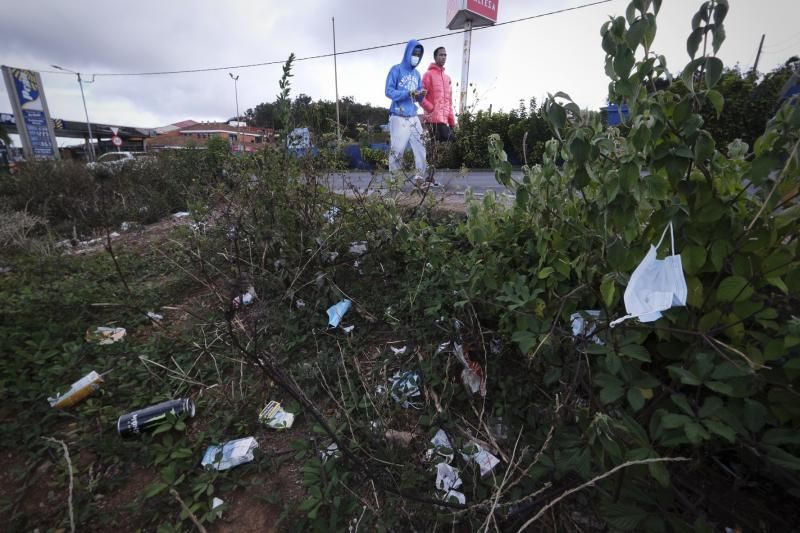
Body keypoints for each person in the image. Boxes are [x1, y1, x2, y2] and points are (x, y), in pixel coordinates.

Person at [385, 39, 429, 185]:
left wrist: (421, 96)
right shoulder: (395, 70)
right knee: (397, 150)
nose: (416, 56)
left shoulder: (417, 74)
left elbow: (418, 96)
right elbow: (388, 91)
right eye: (414, 53)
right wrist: (408, 93)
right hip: (398, 116)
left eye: (419, 54)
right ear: (408, 52)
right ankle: (395, 181)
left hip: (413, 116)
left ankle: (420, 178)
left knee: (421, 147)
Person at [421, 47, 456, 143]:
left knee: (450, 143)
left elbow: (449, 103)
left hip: (444, 121)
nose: (443, 57)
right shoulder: (428, 75)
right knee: (440, 146)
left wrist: (452, 123)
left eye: (445, 55)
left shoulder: (447, 78)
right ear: (435, 57)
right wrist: (431, 109)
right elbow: (420, 97)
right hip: (432, 121)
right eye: (441, 55)